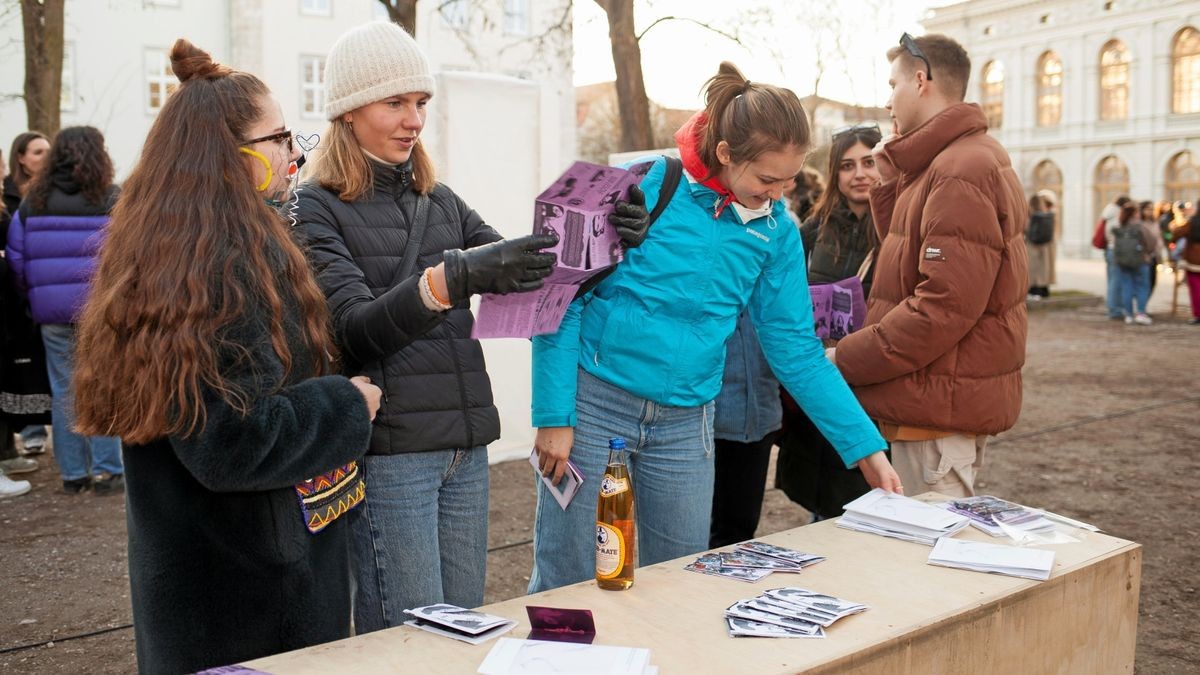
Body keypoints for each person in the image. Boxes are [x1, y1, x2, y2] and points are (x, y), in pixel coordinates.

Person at [530, 61, 901, 593]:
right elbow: (560, 295)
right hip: (594, 402)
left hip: (687, 421)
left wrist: (865, 448)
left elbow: (795, 349)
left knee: (678, 580)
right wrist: (554, 415)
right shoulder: (643, 182)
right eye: (766, 179)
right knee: (569, 573)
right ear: (725, 154)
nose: (777, 194)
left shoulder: (777, 231)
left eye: (789, 180)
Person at [71, 40, 381, 673]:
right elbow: (230, 443)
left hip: (204, 594)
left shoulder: (176, 251)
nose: (295, 153)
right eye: (280, 138)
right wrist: (347, 402)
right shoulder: (224, 265)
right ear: (230, 157)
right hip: (253, 607)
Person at [295, 22, 569, 632]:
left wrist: (607, 241)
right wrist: (449, 281)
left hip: (466, 448)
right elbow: (354, 332)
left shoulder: (438, 199)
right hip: (391, 455)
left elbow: (536, 281)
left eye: (420, 103)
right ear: (347, 110)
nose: (413, 120)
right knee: (410, 639)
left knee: (461, 630)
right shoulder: (313, 205)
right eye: (394, 103)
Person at [829, 33, 1028, 499]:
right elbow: (907, 260)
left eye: (893, 83)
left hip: (936, 411)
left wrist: (847, 359)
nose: (887, 99)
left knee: (928, 556)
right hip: (932, 401)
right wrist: (892, 181)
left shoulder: (961, 168)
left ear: (921, 80)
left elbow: (941, 306)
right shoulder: (953, 161)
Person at [6, 126, 125, 493]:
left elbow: (16, 258)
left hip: (52, 315)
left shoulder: (33, 201)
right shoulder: (110, 197)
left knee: (64, 390)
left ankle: (74, 475)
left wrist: (35, 297)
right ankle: (107, 469)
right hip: (99, 312)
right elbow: (126, 254)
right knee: (103, 384)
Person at [775, 122, 883, 521]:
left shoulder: (898, 228)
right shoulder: (813, 231)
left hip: (873, 379)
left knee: (865, 491)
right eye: (848, 165)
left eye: (869, 162)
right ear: (835, 173)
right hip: (819, 372)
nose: (860, 174)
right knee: (824, 503)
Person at [1110, 202, 1155, 325]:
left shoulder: (1118, 227)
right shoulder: (1140, 227)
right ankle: (1141, 313)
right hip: (1140, 260)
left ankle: (1129, 315)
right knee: (1142, 287)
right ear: (1135, 213)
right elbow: (1151, 242)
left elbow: (1113, 244)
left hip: (1122, 262)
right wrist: (1148, 253)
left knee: (1126, 287)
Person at [2, 132, 50, 237]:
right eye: (38, 152)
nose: (47, 157)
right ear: (21, 158)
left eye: (49, 152)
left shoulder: (57, 190)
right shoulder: (4, 192)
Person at [1101, 195, 1133, 319]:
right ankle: (1115, 310)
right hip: (1116, 250)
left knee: (1112, 280)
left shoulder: (1109, 214)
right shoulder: (1117, 216)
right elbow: (1117, 234)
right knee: (1116, 281)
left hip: (1109, 249)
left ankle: (1114, 307)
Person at [1171, 205, 1200, 325]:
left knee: (1195, 288)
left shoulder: (1192, 222)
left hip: (1193, 259)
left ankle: (1198, 314)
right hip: (1194, 257)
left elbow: (1176, 234)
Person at [1025, 191, 1055, 300]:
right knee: (1043, 270)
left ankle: (1034, 292)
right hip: (1046, 247)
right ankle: (1044, 291)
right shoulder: (1048, 215)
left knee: (1033, 269)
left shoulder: (1031, 216)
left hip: (1032, 245)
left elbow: (1026, 229)